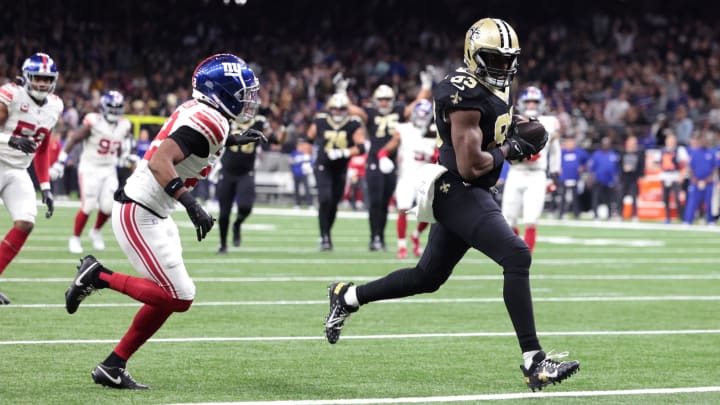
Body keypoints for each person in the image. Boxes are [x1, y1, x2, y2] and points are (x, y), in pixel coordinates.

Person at [324, 18, 579, 392]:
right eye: (494, 58)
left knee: (426, 277)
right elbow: (471, 164)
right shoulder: (462, 95)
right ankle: (534, 361)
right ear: (474, 56)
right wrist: (512, 148)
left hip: (471, 190)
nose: (504, 67)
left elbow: (495, 131)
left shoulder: (495, 87)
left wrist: (516, 129)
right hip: (457, 187)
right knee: (516, 255)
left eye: (509, 59)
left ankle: (347, 295)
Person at [63, 53, 263, 389]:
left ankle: (113, 366)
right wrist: (191, 204)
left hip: (154, 211)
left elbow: (194, 143)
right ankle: (98, 276)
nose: (249, 101)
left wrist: (231, 139)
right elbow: (160, 161)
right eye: (243, 94)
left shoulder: (204, 113)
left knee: (169, 294)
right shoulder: (210, 119)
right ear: (223, 93)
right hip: (140, 210)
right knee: (180, 296)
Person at [337, 69, 433, 251]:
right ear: (375, 99)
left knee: (386, 201)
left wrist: (426, 87)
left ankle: (381, 238)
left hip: (393, 162)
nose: (384, 102)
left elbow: (418, 104)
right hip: (374, 159)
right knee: (375, 200)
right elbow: (351, 109)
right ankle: (375, 238)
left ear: (392, 99)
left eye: (387, 99)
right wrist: (342, 93)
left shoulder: (398, 111)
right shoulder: (370, 113)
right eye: (381, 99)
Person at [0, 52, 62, 304]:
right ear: (27, 77)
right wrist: (10, 139)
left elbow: (43, 146)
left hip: (17, 170)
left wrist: (45, 186)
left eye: (47, 80)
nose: (42, 84)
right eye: (37, 78)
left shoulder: (55, 105)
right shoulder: (12, 95)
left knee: (25, 221)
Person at [50, 90, 132, 253]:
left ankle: (95, 232)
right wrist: (60, 160)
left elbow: (120, 145)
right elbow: (74, 139)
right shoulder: (93, 121)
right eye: (112, 108)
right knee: (88, 206)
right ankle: (75, 238)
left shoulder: (125, 125)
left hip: (109, 168)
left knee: (109, 207)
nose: (115, 112)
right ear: (103, 107)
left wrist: (126, 156)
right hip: (90, 168)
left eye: (118, 108)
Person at [501, 86, 561, 252]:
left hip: (537, 174)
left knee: (531, 217)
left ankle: (526, 254)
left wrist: (555, 173)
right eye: (528, 101)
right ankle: (517, 246)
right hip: (516, 171)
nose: (532, 105)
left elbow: (556, 150)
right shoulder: (513, 120)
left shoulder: (550, 122)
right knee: (508, 217)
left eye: (535, 102)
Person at [375, 99, 436, 258]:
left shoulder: (434, 132)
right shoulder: (403, 129)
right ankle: (401, 245)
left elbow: (442, 157)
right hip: (406, 176)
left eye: (425, 115)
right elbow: (386, 148)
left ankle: (415, 235)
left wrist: (432, 153)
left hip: (426, 177)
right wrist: (382, 158)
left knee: (429, 212)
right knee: (403, 208)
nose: (422, 118)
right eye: (420, 114)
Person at [306, 93, 366, 251]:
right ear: (330, 109)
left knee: (333, 203)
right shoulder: (320, 120)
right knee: (324, 199)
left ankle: (327, 233)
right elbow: (308, 139)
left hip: (340, 168)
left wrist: (344, 152)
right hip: (323, 165)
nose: (338, 112)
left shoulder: (353, 123)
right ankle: (324, 236)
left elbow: (361, 146)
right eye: (335, 109)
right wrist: (306, 158)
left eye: (341, 109)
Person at [215, 113, 276, 254]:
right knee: (224, 213)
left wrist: (281, 128)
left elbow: (273, 139)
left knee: (245, 207)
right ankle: (223, 244)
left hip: (246, 173)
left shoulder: (260, 121)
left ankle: (237, 224)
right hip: (227, 171)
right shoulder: (226, 119)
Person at [683, 135, 716, 224]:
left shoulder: (712, 153)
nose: (704, 142)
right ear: (700, 141)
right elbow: (690, 168)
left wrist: (707, 180)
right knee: (692, 202)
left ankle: (710, 220)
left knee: (709, 202)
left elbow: (715, 169)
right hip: (695, 182)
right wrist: (695, 180)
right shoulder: (694, 153)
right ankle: (688, 220)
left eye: (706, 141)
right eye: (702, 140)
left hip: (708, 182)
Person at [557, 136, 589, 219]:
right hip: (564, 177)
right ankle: (561, 213)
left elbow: (588, 161)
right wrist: (558, 168)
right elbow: (555, 160)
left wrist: (583, 167)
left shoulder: (579, 152)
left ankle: (576, 214)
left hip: (574, 177)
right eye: (568, 143)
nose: (569, 145)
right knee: (562, 197)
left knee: (575, 197)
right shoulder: (561, 152)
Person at [659, 133, 687, 223]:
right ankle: (667, 217)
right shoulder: (662, 150)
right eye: (669, 140)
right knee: (665, 198)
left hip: (675, 176)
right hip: (665, 176)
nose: (670, 142)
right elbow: (656, 163)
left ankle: (682, 216)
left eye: (672, 140)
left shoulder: (679, 150)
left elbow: (685, 163)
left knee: (678, 198)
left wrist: (682, 175)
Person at [589, 137, 619, 219]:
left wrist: (616, 181)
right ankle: (595, 214)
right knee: (596, 198)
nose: (606, 145)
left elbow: (617, 169)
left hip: (609, 180)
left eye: (608, 144)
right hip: (598, 180)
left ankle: (609, 214)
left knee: (609, 199)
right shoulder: (596, 154)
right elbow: (591, 168)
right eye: (604, 144)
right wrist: (590, 179)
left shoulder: (614, 155)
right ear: (602, 145)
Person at [617, 135, 645, 221]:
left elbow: (641, 166)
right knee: (620, 196)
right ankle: (619, 214)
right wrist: (623, 169)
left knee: (634, 197)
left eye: (634, 143)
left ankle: (634, 215)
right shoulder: (622, 153)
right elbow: (618, 165)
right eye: (631, 143)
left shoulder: (639, 154)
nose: (633, 145)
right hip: (624, 178)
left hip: (633, 178)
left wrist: (637, 173)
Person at [289, 138, 314, 209]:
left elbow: (311, 163)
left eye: (301, 145)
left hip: (304, 173)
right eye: (299, 145)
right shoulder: (294, 153)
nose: (300, 147)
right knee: (296, 189)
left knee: (307, 189)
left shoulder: (306, 154)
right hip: (296, 174)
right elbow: (291, 163)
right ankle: (297, 204)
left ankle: (310, 204)